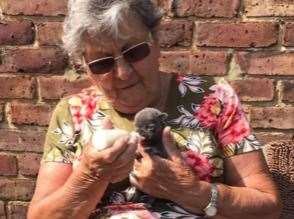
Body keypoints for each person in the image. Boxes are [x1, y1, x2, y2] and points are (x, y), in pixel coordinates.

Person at [27, 0, 282, 218]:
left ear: (156, 40)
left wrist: (189, 191)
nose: (123, 73)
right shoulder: (71, 114)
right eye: (102, 63)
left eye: (135, 52)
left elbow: (268, 207)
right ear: (84, 66)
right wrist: (89, 177)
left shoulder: (214, 99)